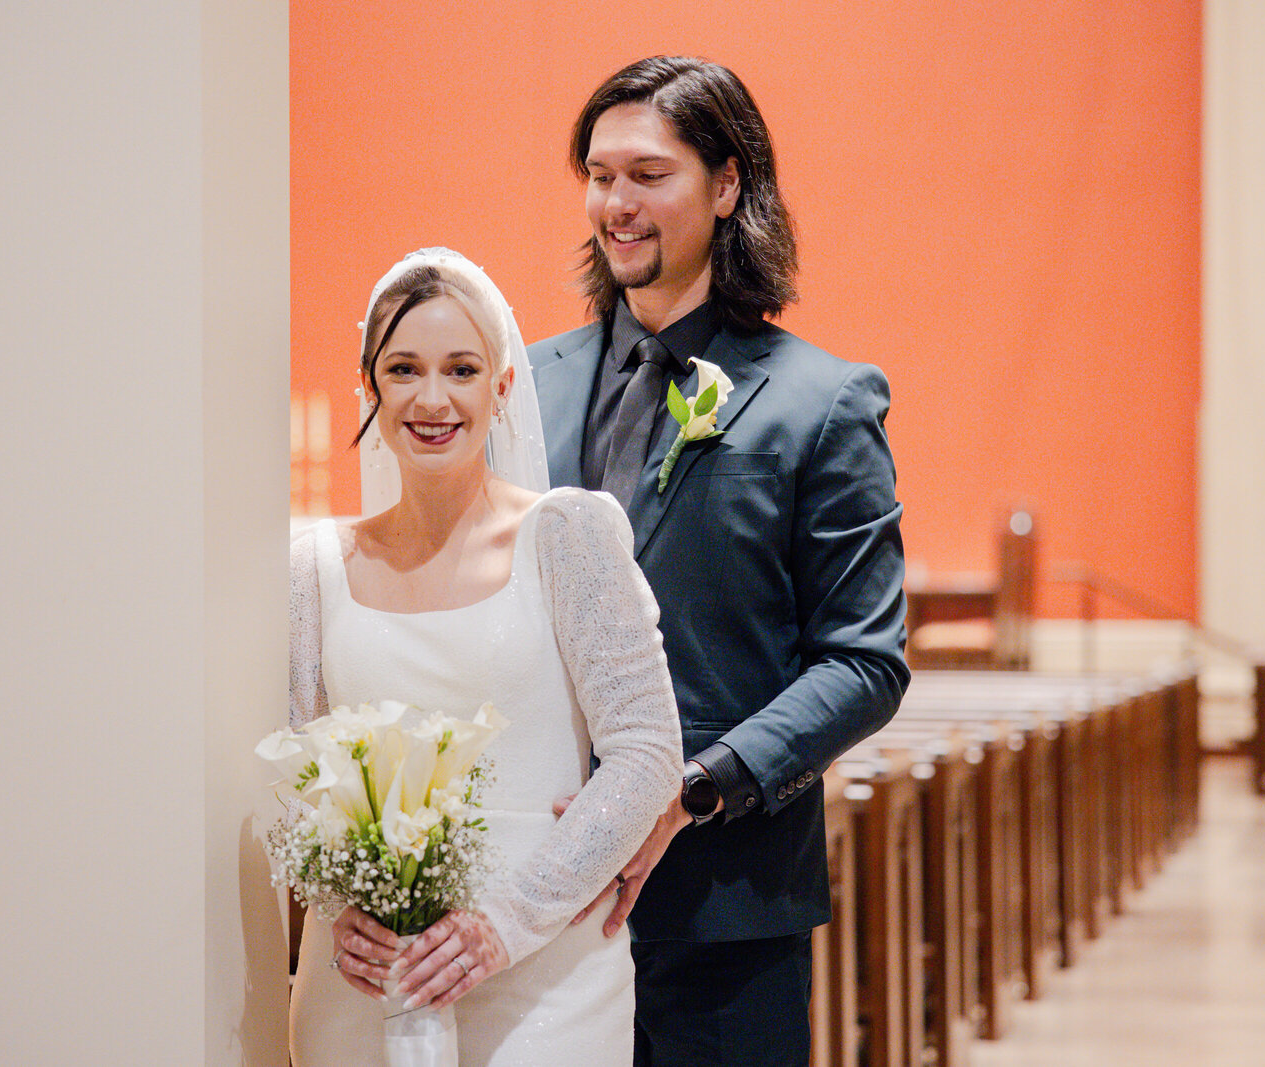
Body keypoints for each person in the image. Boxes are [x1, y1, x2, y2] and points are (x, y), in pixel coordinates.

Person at [528, 57, 909, 1065]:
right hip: (536, 899)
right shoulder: (525, 385)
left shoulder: (818, 403)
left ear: (727, 183)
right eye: (599, 175)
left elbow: (865, 662)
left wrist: (691, 786)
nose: (616, 203)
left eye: (646, 175)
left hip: (722, 908)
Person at [287, 247, 682, 1066]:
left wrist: (501, 925)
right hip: (369, 976)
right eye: (404, 369)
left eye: (461, 369)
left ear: (501, 388)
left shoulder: (567, 535)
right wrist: (336, 902)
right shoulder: (313, 565)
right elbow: (289, 765)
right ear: (371, 385)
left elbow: (647, 751)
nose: (433, 398)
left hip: (547, 975)